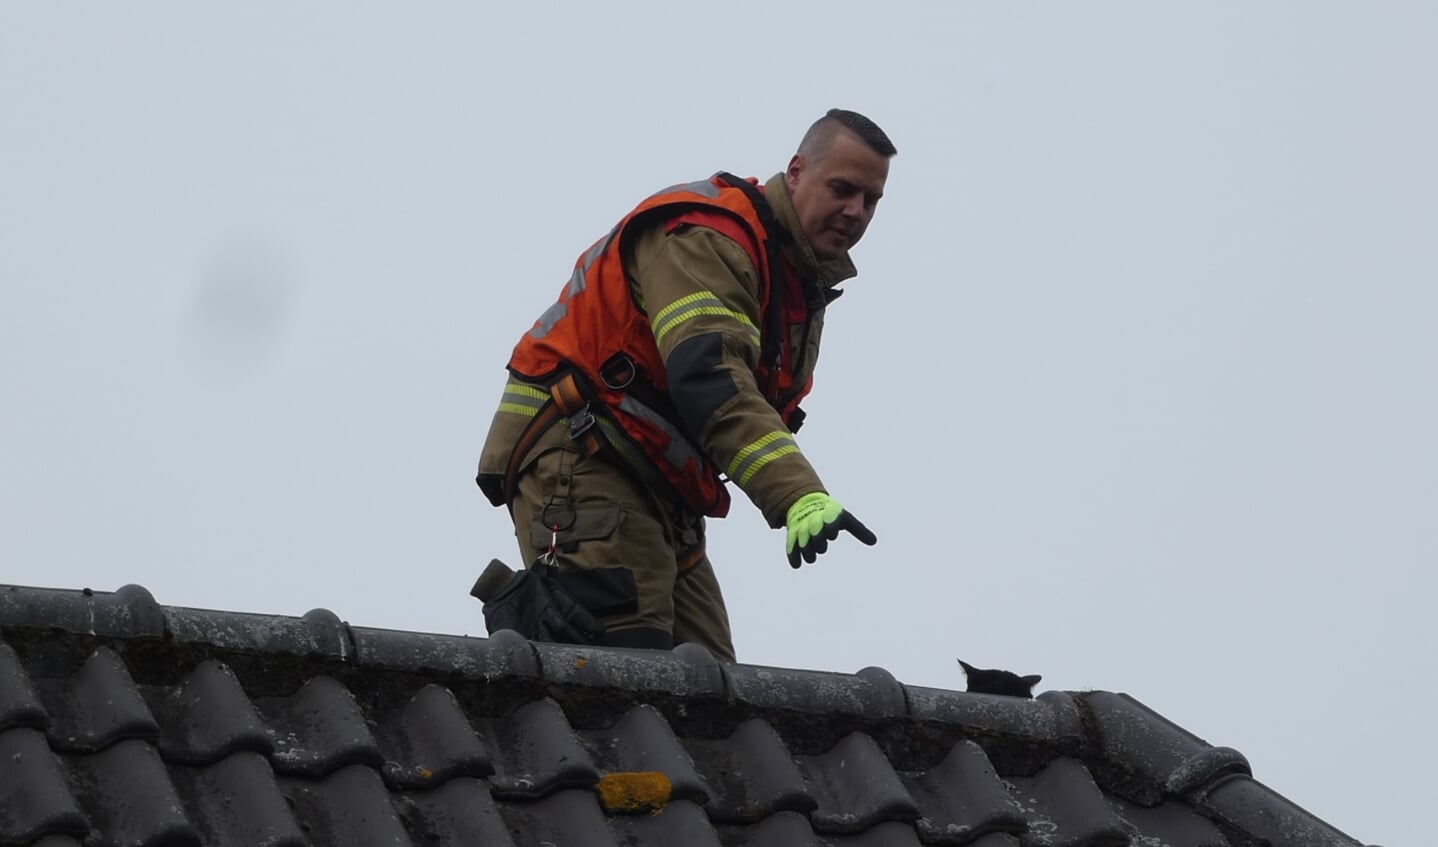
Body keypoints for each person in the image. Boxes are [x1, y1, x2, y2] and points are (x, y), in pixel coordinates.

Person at [475, 108, 895, 662]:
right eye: (842, 189)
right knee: (629, 677)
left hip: (661, 489)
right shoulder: (708, 238)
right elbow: (709, 380)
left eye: (870, 200)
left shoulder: (789, 275)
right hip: (586, 456)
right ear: (795, 172)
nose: (855, 212)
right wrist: (795, 493)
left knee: (712, 690)